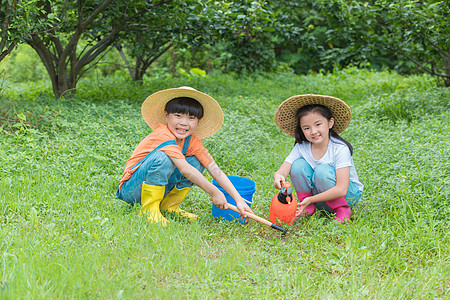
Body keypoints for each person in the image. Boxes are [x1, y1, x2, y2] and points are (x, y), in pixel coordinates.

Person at [116, 86, 254, 225]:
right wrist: (214, 192)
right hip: (132, 189)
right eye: (178, 116)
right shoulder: (163, 135)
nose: (183, 122)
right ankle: (148, 210)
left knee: (196, 162)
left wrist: (239, 200)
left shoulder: (192, 142)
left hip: (158, 187)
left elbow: (214, 169)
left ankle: (169, 206)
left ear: (198, 121)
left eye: (191, 118)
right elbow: (185, 170)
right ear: (166, 116)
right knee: (164, 158)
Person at [273, 94, 363, 223]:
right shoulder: (301, 147)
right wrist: (278, 177)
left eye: (318, 124)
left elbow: (342, 189)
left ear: (330, 123)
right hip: (319, 197)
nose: (313, 131)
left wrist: (312, 199)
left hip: (347, 195)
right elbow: (282, 170)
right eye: (307, 128)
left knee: (322, 171)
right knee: (297, 165)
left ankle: (342, 209)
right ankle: (307, 208)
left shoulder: (339, 149)